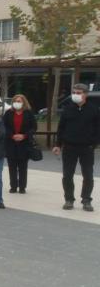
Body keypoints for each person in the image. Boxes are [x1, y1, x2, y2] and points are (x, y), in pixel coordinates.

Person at [53, 83, 100, 211]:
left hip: (87, 148)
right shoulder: (67, 108)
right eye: (74, 92)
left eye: (78, 93)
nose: (75, 95)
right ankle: (69, 199)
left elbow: (97, 129)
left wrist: (94, 144)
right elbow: (61, 128)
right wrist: (58, 145)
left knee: (88, 175)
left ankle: (86, 200)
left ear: (85, 94)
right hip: (69, 147)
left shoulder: (94, 109)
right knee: (67, 175)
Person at [3, 94, 37, 194]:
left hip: (24, 143)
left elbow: (34, 127)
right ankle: (13, 186)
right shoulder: (8, 113)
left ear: (24, 102)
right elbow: (4, 126)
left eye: (19, 101)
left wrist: (24, 135)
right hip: (11, 143)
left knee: (23, 166)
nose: (17, 103)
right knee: (12, 166)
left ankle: (22, 187)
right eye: (15, 101)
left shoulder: (29, 113)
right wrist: (12, 135)